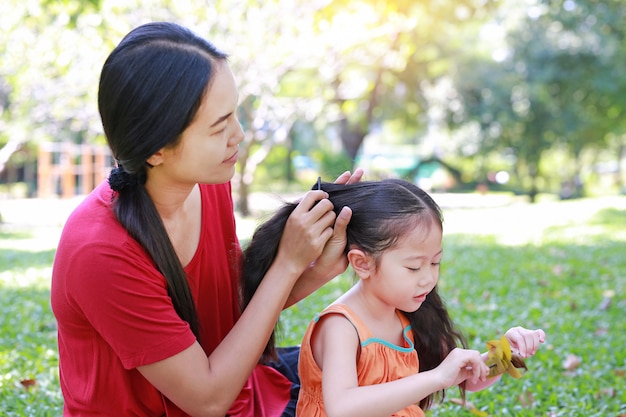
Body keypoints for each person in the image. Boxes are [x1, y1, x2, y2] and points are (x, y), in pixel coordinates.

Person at [50, 21, 363, 417]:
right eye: (220, 127)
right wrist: (286, 263)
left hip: (248, 394)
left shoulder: (208, 181)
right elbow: (208, 400)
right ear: (156, 149)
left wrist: (318, 265)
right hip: (214, 397)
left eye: (235, 114)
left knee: (381, 368)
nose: (240, 134)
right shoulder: (100, 251)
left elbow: (234, 312)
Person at [241, 179, 546, 417]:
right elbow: (342, 408)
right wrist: (438, 377)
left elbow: (467, 377)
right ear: (362, 263)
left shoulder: (408, 312)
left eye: (435, 262)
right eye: (413, 266)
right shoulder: (341, 326)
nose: (428, 277)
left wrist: (506, 354)